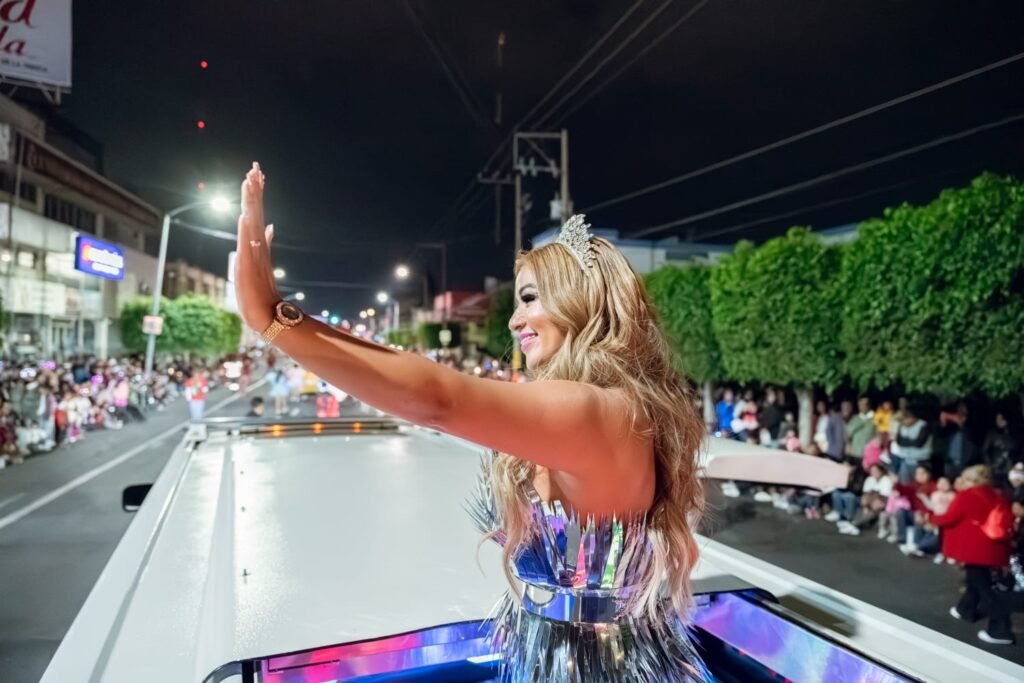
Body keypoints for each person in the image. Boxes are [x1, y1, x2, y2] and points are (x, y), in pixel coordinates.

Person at [232, 164, 711, 680]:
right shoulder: (608, 408)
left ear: (582, 301)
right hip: (557, 660)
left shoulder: (596, 411)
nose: (513, 319)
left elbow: (437, 397)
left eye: (529, 297)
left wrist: (273, 317)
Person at [932, 465, 1014, 645]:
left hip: (976, 551)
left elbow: (949, 518)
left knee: (985, 589)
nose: (960, 482)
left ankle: (1001, 630)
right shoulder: (998, 495)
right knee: (975, 581)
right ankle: (965, 609)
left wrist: (931, 517)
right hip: (993, 548)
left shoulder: (967, 496)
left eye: (964, 479)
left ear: (974, 481)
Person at [892, 407, 932, 484]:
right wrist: (910, 442)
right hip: (905, 459)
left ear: (911, 418)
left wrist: (906, 441)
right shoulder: (902, 426)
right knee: (904, 482)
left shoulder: (923, 425)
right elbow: (899, 441)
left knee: (919, 483)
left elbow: (918, 443)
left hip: (920, 460)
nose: (903, 422)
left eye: (904, 420)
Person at [846, 397, 876, 463]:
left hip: (868, 455)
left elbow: (876, 436)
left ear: (869, 405)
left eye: (863, 405)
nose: (861, 407)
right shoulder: (856, 418)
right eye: (860, 405)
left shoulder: (875, 418)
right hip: (855, 453)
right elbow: (848, 433)